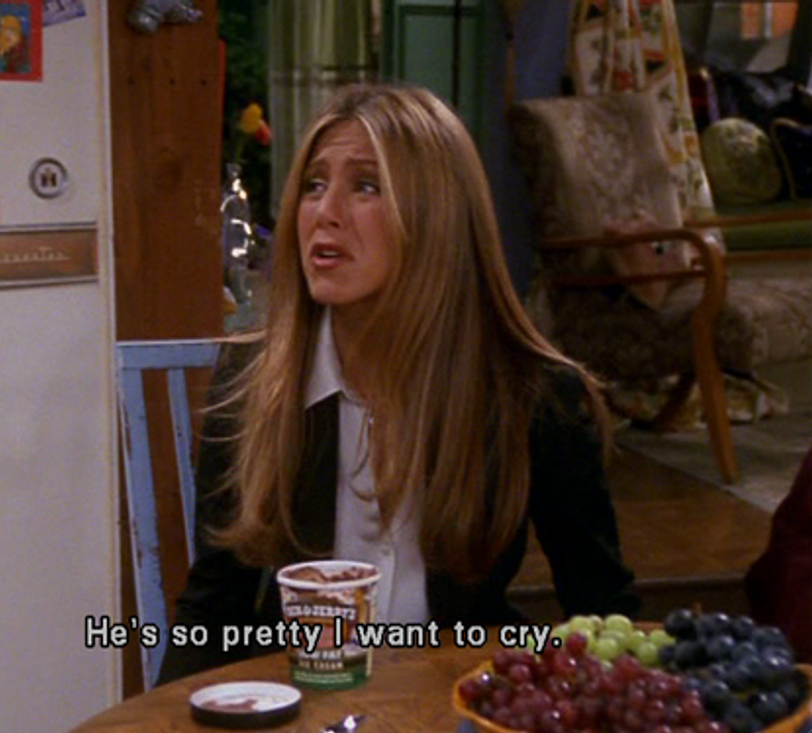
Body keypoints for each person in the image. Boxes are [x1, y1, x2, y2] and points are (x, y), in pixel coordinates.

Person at [158, 83, 639, 685]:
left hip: (457, 698)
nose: (325, 212)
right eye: (313, 185)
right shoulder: (256, 381)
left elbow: (603, 610)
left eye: (366, 186)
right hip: (300, 700)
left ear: (438, 217)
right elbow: (212, 611)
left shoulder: (534, 394)